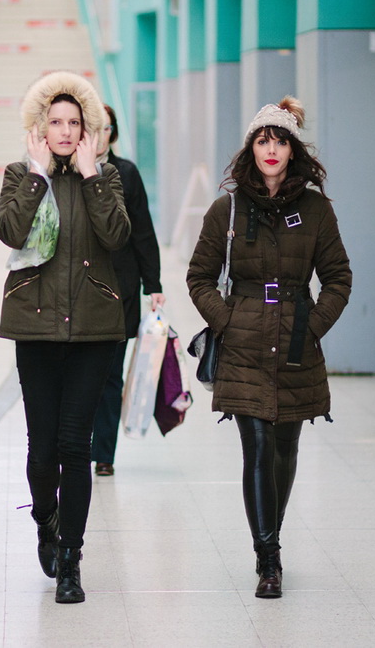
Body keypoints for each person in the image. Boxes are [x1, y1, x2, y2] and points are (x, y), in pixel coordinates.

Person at [186, 96, 351, 599]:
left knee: (284, 449)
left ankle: (269, 535)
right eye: (263, 139)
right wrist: (230, 321)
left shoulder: (317, 209)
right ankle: (269, 559)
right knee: (256, 447)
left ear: (293, 149)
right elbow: (199, 278)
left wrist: (313, 326)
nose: (272, 148)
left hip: (297, 344)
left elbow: (339, 279)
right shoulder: (227, 210)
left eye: (280, 139)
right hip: (245, 347)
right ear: (250, 150)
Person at [0, 71, 130, 604]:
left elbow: (117, 235)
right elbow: (9, 230)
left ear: (89, 129)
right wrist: (36, 176)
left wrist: (94, 176)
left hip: (95, 328)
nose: (66, 131)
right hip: (35, 323)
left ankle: (71, 559)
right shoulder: (19, 174)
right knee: (41, 446)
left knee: (75, 446)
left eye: (76, 123)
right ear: (40, 128)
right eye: (56, 122)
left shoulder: (108, 177)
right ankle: (45, 523)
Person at [90, 104, 165, 477]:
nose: (99, 135)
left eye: (105, 128)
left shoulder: (127, 173)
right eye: (93, 127)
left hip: (120, 288)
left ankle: (104, 453)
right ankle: (78, 444)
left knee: (111, 374)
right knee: (81, 375)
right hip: (81, 293)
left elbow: (143, 232)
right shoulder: (69, 171)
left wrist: (153, 284)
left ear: (113, 133)